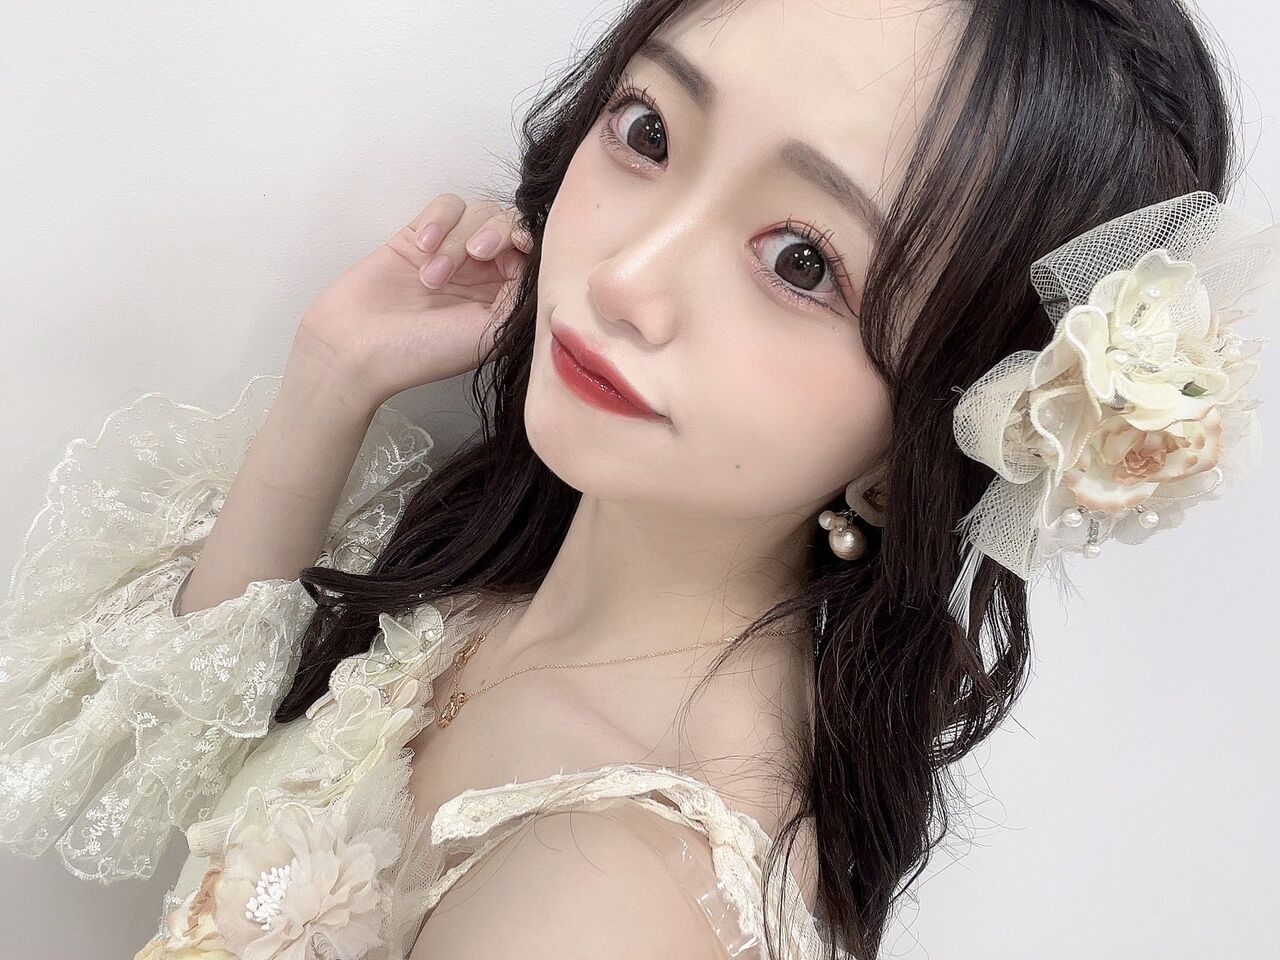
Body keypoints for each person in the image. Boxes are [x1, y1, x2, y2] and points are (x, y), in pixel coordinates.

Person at [0, 1, 1274, 958]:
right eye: (649, 132)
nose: (623, 276)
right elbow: (145, 771)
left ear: (946, 420)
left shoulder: (608, 891)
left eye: (799, 261)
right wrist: (332, 380)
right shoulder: (505, 554)